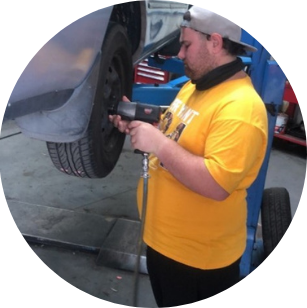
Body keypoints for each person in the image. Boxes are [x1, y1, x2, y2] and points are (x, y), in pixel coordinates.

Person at [109, 6, 268, 307]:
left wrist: (157, 143)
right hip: (165, 246)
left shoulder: (241, 108)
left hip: (197, 262)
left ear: (216, 43)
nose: (180, 55)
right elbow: (174, 134)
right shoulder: (197, 87)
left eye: (186, 45)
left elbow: (215, 184)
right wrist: (140, 126)